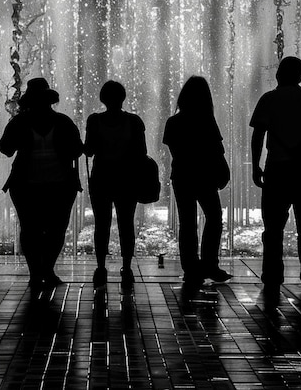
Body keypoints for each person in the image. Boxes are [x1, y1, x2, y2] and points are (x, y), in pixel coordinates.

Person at [250, 56, 301, 303]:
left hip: (278, 171)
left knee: (273, 228)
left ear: (279, 74)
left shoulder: (269, 100)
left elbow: (258, 135)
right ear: (300, 76)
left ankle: (272, 276)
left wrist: (255, 166)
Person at [0, 78, 83, 289]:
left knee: (37, 230)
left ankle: (40, 271)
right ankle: (42, 270)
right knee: (48, 229)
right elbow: (78, 149)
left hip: (35, 185)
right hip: (53, 185)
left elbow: (5, 148)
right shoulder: (61, 122)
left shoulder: (22, 122)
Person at [162, 76, 232, 291]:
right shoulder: (206, 120)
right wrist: (222, 170)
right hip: (204, 176)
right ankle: (210, 264)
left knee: (187, 222)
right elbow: (217, 150)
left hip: (182, 176)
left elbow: (174, 151)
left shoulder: (173, 122)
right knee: (213, 218)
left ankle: (191, 269)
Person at [84, 81, 147, 288]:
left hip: (101, 177)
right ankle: (127, 268)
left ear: (103, 98)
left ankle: (101, 268)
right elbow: (141, 153)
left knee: (101, 225)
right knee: (126, 224)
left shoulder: (95, 121)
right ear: (123, 97)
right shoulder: (134, 121)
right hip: (126, 179)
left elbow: (89, 150)